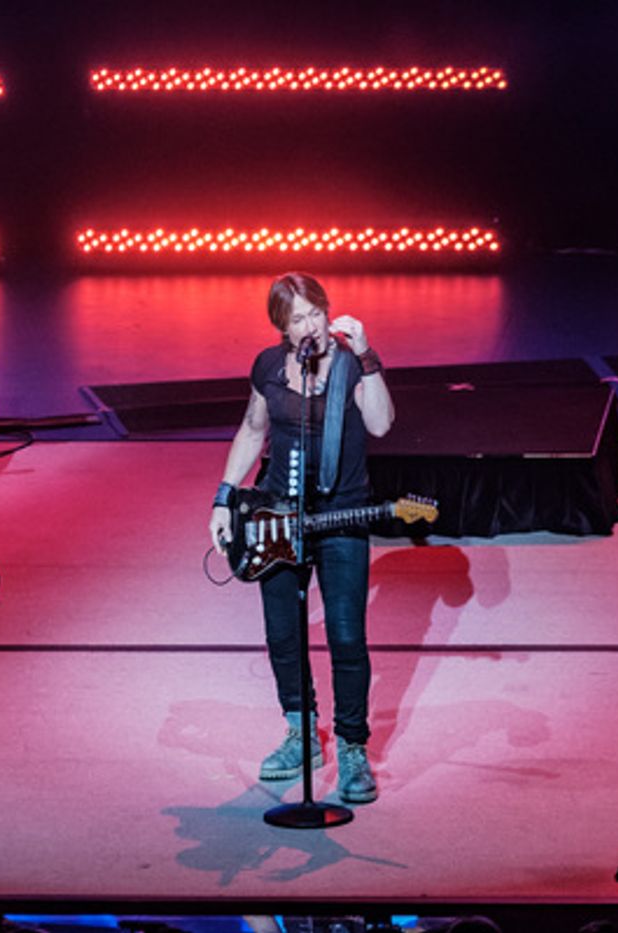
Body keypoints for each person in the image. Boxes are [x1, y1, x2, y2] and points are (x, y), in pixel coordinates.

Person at [209, 271, 394, 804]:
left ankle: (353, 747)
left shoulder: (349, 364)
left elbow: (381, 425)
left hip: (342, 514)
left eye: (317, 314)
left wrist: (368, 355)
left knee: (345, 635)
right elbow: (251, 429)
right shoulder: (269, 367)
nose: (311, 326)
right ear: (281, 328)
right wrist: (225, 496)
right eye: (299, 320)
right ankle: (301, 731)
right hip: (276, 515)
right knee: (283, 634)